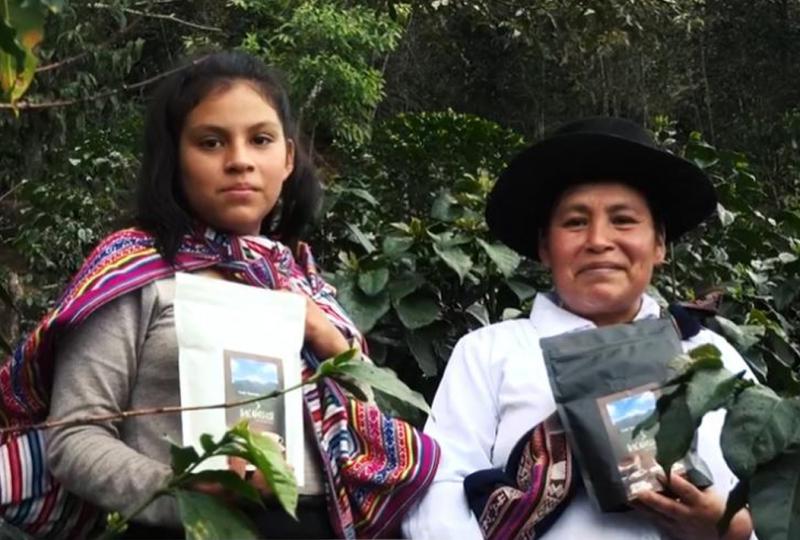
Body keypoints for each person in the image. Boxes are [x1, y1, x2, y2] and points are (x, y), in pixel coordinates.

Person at [0, 51, 438, 539]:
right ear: (175, 156)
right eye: (211, 142)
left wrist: (324, 334)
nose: (240, 161)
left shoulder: (304, 281)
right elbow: (74, 436)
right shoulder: (133, 270)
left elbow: (359, 428)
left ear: (288, 158)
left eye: (261, 139)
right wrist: (182, 493)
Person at [402, 117, 754, 539]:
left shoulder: (711, 356)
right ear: (545, 247)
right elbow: (438, 495)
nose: (598, 240)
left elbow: (774, 495)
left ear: (659, 243)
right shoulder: (489, 354)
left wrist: (731, 530)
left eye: (624, 220)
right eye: (574, 222)